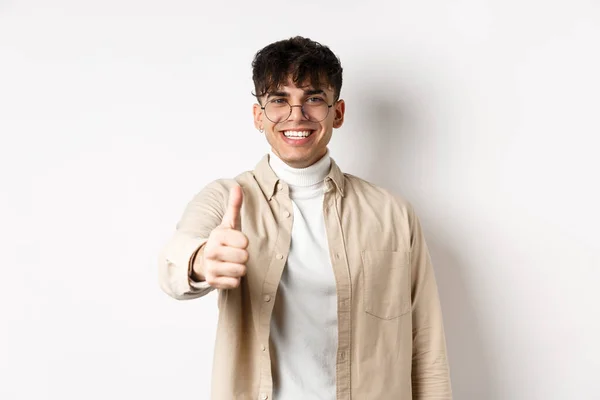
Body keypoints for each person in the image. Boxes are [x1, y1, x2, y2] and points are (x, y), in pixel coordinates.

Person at [158, 36, 452, 400]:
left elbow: (426, 346)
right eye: (279, 100)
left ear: (338, 112)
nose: (296, 115)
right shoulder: (226, 199)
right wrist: (202, 261)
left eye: (313, 98)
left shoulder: (393, 214)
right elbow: (173, 264)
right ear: (258, 116)